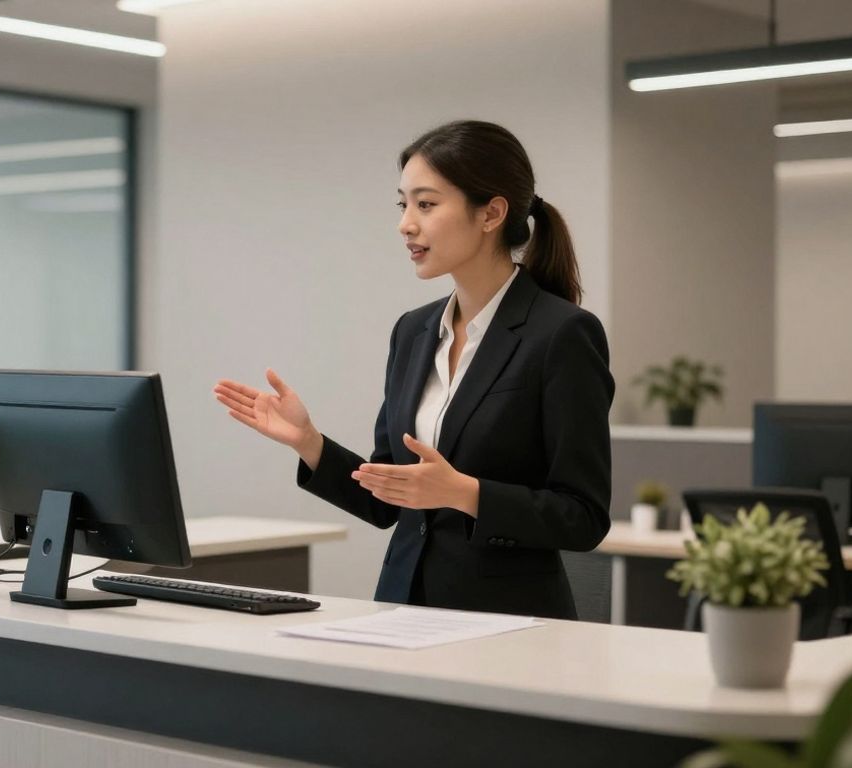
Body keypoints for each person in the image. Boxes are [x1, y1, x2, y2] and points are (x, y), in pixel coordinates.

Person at [213, 120, 614, 620]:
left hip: (508, 626)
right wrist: (309, 443)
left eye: (426, 204)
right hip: (403, 613)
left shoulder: (562, 334)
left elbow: (584, 518)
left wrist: (465, 493)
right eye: (403, 204)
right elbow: (388, 502)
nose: (406, 223)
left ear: (491, 213)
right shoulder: (413, 331)